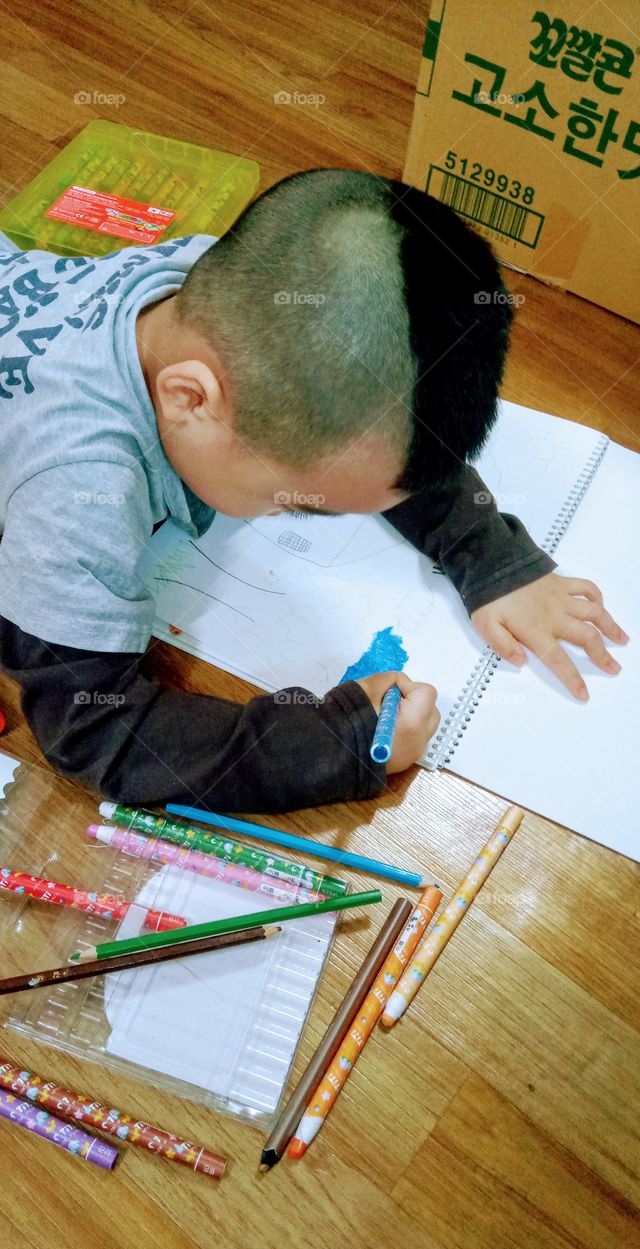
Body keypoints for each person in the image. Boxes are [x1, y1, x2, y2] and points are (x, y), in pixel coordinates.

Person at [0, 169, 626, 812]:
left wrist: (490, 557)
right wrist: (337, 745)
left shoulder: (230, 287)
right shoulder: (75, 498)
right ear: (190, 399)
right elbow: (94, 730)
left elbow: (379, 433)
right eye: (299, 502)